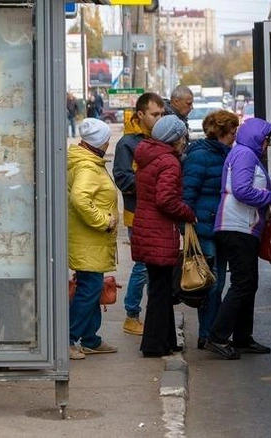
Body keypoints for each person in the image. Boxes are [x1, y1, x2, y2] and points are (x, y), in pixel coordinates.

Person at [204, 118, 271, 360]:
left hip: (242, 227)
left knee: (249, 283)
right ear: (257, 138)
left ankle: (242, 337)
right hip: (237, 227)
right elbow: (241, 190)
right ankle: (217, 337)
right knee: (242, 284)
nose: (268, 144)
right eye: (267, 139)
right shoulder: (245, 154)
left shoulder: (243, 153)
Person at [131, 115, 196, 357]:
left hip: (147, 228)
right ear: (174, 137)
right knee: (160, 291)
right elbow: (166, 199)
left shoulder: (147, 154)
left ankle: (166, 340)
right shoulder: (168, 161)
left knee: (161, 288)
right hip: (159, 231)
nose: (184, 140)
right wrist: (188, 213)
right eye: (182, 135)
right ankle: (154, 345)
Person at [182, 110, 240, 349]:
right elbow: (188, 195)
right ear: (223, 132)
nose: (235, 135)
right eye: (233, 131)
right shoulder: (201, 156)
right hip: (205, 228)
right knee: (210, 283)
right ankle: (207, 333)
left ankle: (214, 332)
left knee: (219, 281)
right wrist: (186, 227)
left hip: (222, 226)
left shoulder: (227, 153)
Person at [112, 92, 165, 336]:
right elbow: (123, 178)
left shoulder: (160, 136)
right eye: (155, 114)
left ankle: (152, 315)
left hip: (158, 210)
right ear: (140, 114)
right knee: (143, 265)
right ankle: (131, 314)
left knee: (154, 265)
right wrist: (154, 183)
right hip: (138, 212)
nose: (160, 118)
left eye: (162, 114)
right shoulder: (127, 143)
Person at [67, 118, 119, 360]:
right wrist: (103, 220)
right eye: (107, 139)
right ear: (100, 142)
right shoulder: (88, 167)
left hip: (89, 239)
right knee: (89, 288)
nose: (109, 142)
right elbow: (80, 198)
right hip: (89, 238)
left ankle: (90, 339)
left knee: (92, 287)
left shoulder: (89, 161)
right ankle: (68, 338)